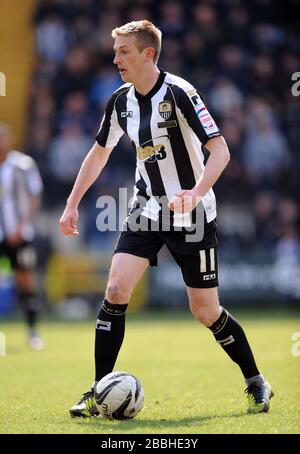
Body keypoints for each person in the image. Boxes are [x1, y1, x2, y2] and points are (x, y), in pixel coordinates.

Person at [60, 20, 274, 417]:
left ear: (148, 54)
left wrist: (194, 194)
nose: (115, 58)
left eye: (124, 51)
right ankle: (97, 392)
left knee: (205, 311)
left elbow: (221, 150)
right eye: (115, 51)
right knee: (116, 290)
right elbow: (99, 153)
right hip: (145, 208)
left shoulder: (180, 93)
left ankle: (254, 379)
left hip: (192, 214)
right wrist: (73, 202)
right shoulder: (120, 101)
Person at [0, 123, 44, 350]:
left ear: (10, 140)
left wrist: (21, 225)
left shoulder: (22, 165)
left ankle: (32, 332)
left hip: (19, 233)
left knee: (25, 280)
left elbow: (35, 196)